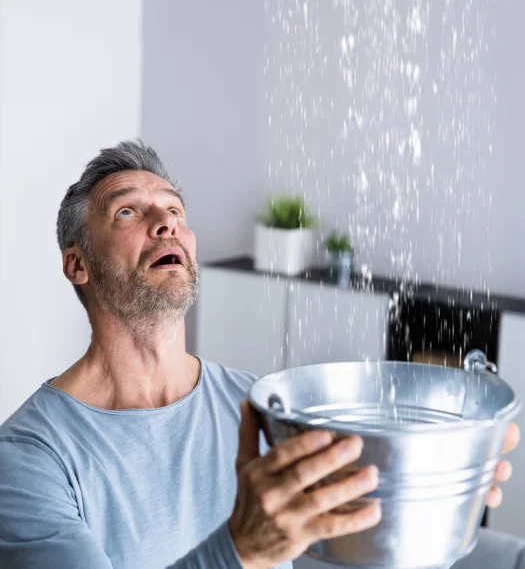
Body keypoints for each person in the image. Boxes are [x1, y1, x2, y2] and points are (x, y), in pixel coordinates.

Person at [0, 141, 519, 569]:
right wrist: (240, 548)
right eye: (128, 211)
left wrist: (439, 484)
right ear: (77, 265)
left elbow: (351, 522)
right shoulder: (28, 458)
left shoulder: (257, 405)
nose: (166, 223)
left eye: (175, 209)